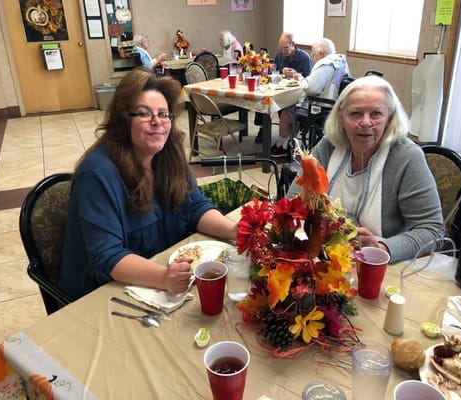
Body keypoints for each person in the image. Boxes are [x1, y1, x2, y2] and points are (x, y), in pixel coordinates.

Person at [59, 68, 238, 300]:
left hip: (158, 278)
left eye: (164, 114)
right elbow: (108, 256)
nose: (158, 122)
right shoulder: (96, 174)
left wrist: (235, 231)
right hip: (102, 293)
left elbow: (195, 207)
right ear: (124, 120)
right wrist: (163, 278)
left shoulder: (168, 155)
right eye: (144, 114)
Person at [286, 75, 444, 264]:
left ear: (389, 118)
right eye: (356, 113)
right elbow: (292, 202)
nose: (366, 122)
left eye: (376, 114)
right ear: (341, 118)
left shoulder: (406, 157)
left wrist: (382, 248)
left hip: (381, 267)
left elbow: (433, 231)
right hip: (326, 258)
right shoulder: (329, 145)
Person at [273, 38, 350, 158]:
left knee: (287, 110)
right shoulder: (340, 61)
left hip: (321, 107)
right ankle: (287, 142)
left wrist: (300, 78)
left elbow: (311, 88)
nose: (313, 57)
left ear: (322, 53)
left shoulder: (326, 64)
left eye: (313, 54)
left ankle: (282, 145)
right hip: (333, 104)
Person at [254, 32, 313, 145]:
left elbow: (309, 79)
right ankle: (263, 128)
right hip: (280, 89)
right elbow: (276, 72)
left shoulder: (304, 58)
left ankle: (286, 137)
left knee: (282, 106)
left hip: (296, 93)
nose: (283, 51)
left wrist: (295, 73)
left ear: (293, 44)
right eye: (280, 48)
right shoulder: (280, 56)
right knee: (262, 98)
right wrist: (272, 69)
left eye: (285, 48)